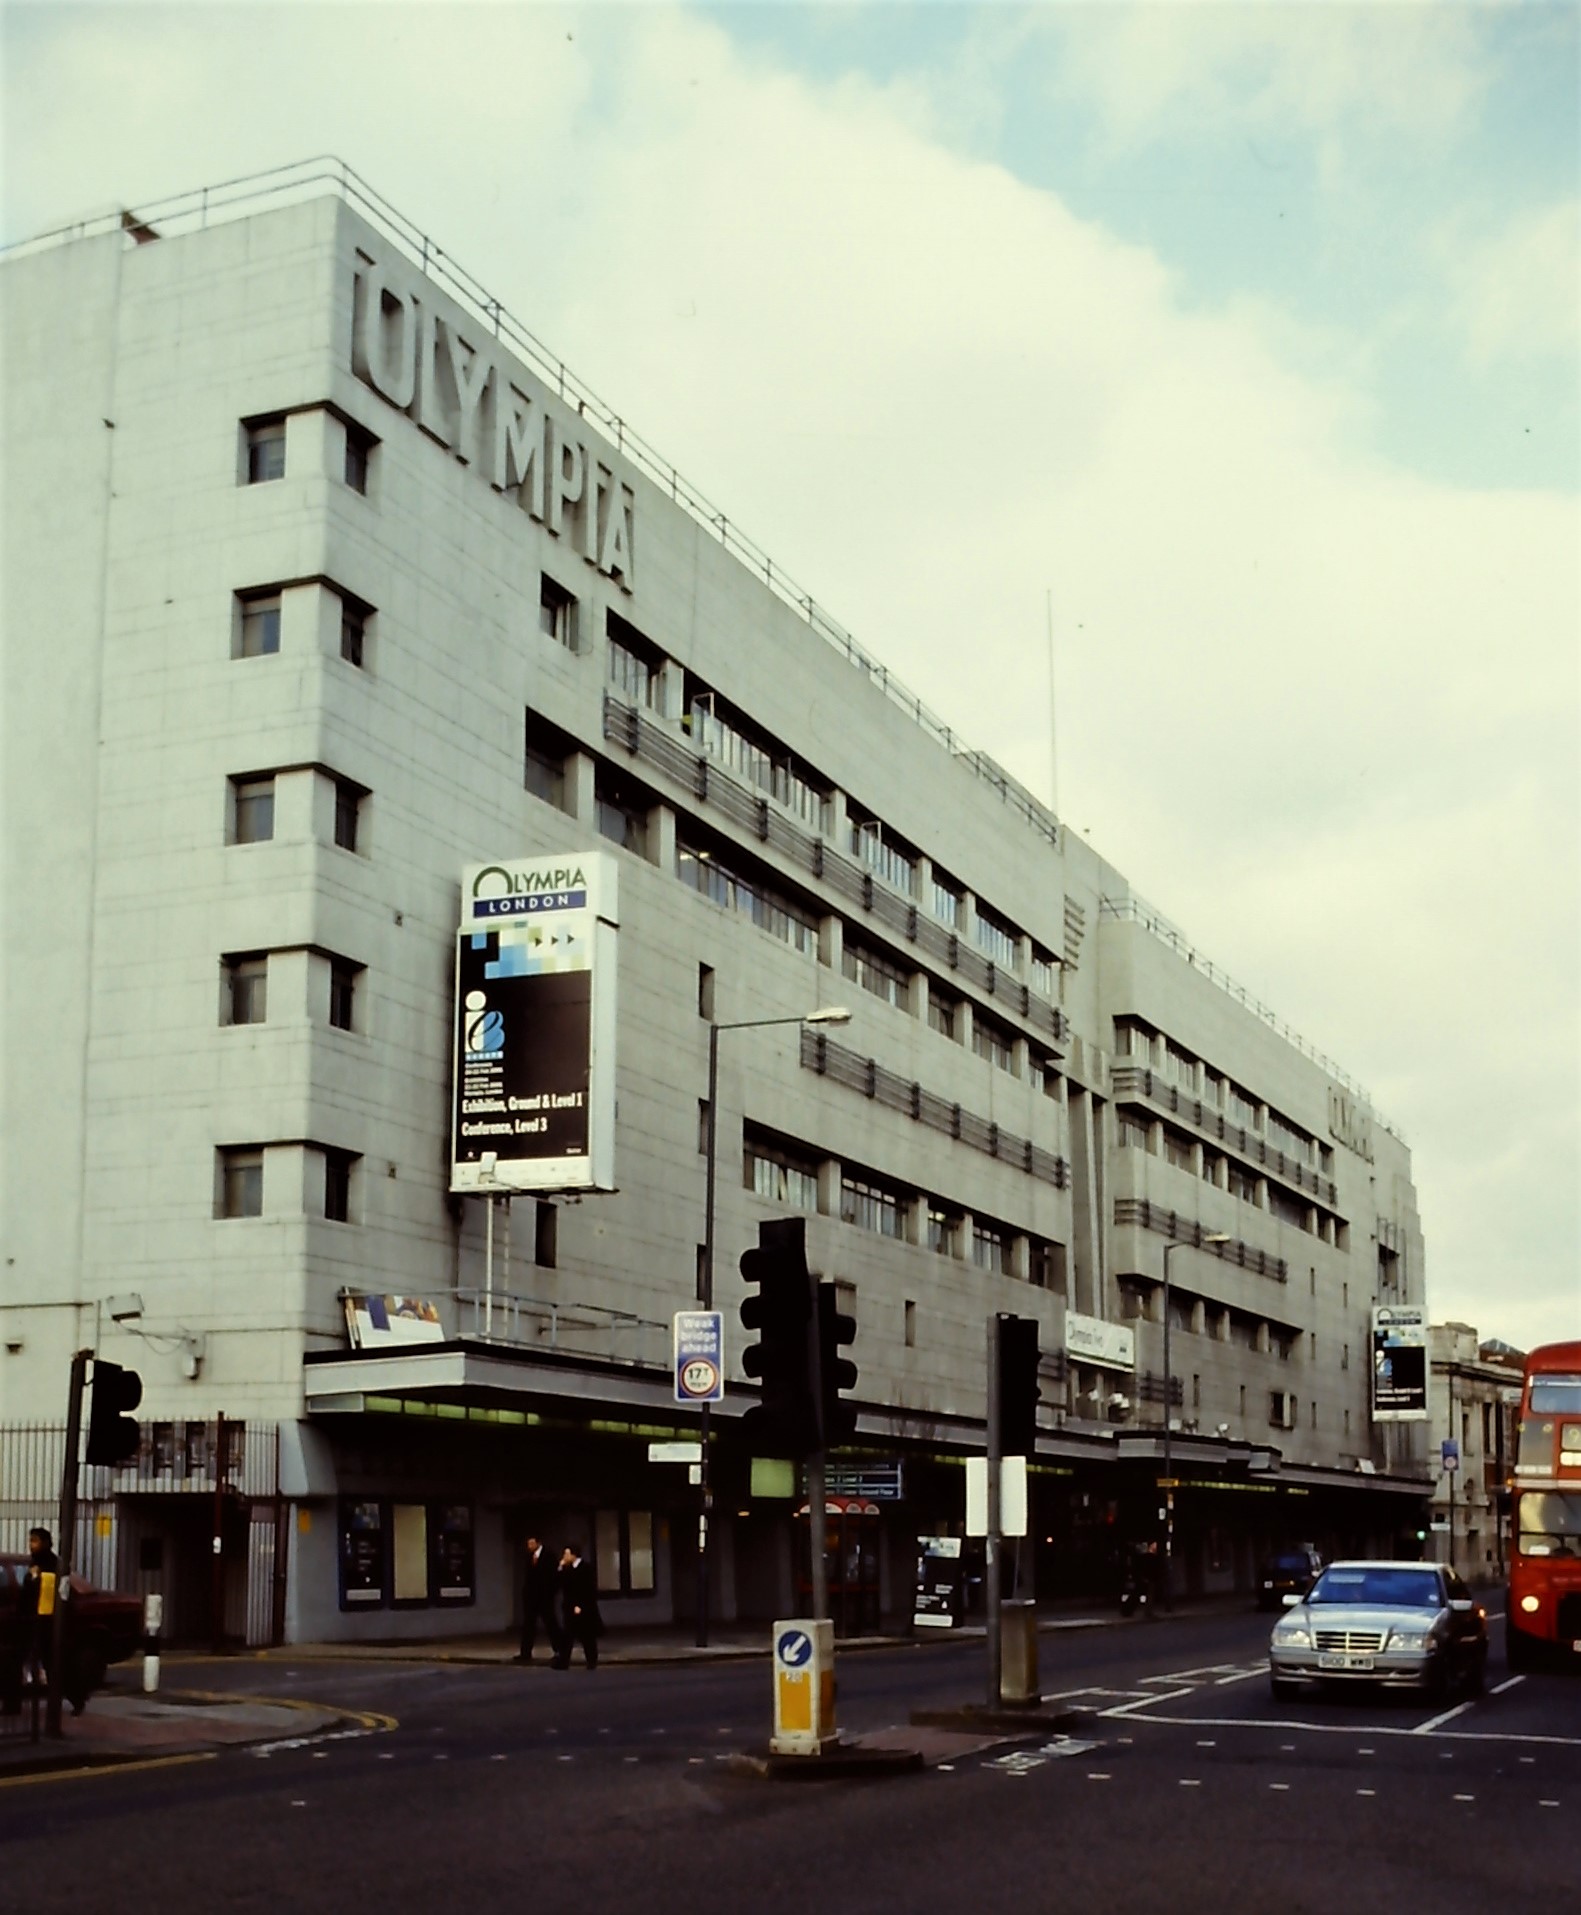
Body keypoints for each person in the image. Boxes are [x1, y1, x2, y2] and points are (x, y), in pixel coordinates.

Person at [20, 1527, 59, 1695]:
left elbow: (49, 1590)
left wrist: (36, 1577)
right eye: (30, 1541)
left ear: (44, 1543)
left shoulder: (51, 1563)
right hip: (32, 1617)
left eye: (35, 1541)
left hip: (46, 1618)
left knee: (50, 1659)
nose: (31, 1545)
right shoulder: (34, 1562)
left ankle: (62, 1694)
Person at [555, 1544, 603, 1670]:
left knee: (587, 1636)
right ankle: (563, 1662)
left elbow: (589, 1589)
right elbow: (560, 1585)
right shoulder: (567, 1569)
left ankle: (592, 1661)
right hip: (569, 1607)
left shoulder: (586, 1568)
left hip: (584, 1608)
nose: (565, 1556)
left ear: (573, 1555)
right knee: (567, 1635)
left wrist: (581, 1605)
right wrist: (560, 1567)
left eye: (567, 1554)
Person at [517, 1533, 562, 1664]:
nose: (529, 1546)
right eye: (528, 1544)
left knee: (551, 1623)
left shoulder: (549, 1555)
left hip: (545, 1597)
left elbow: (555, 1576)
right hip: (531, 1598)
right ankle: (525, 1653)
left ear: (538, 1543)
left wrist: (551, 1593)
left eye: (531, 1543)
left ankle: (560, 1650)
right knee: (528, 1625)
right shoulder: (529, 1557)